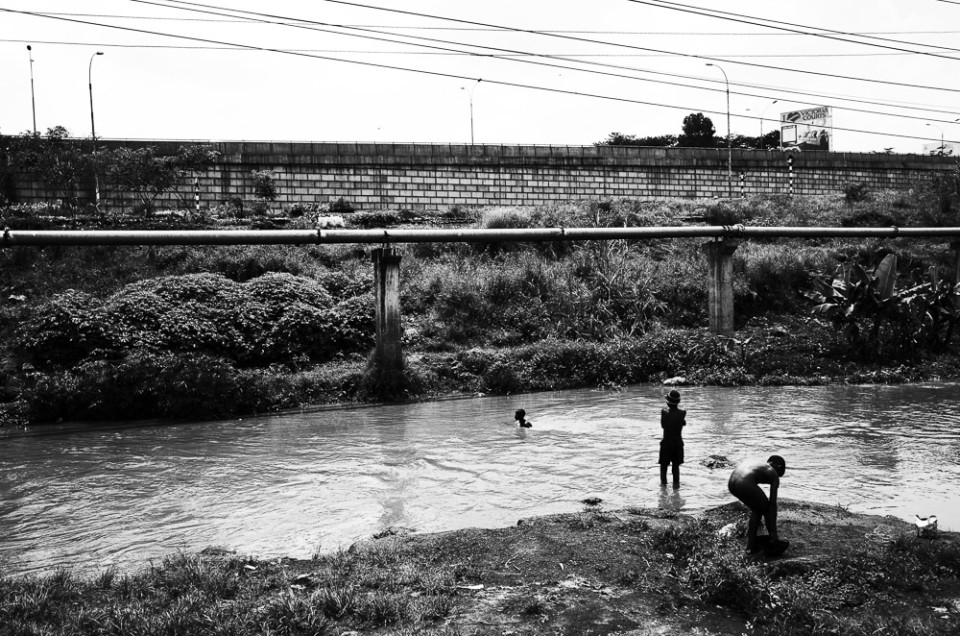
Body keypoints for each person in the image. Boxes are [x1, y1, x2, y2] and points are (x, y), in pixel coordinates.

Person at [728, 455, 787, 553]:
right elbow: (772, 504)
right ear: (779, 466)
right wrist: (774, 532)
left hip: (732, 482)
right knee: (765, 508)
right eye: (780, 474)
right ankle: (770, 540)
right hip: (744, 483)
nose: (778, 476)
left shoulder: (756, 463)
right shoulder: (773, 472)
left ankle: (751, 547)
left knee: (757, 508)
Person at [659, 389, 686, 486]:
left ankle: (663, 487)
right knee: (675, 467)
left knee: (663, 467)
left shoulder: (664, 412)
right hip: (678, 444)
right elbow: (682, 422)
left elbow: (663, 425)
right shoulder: (683, 413)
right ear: (678, 402)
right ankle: (676, 487)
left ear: (668, 402)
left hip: (666, 443)